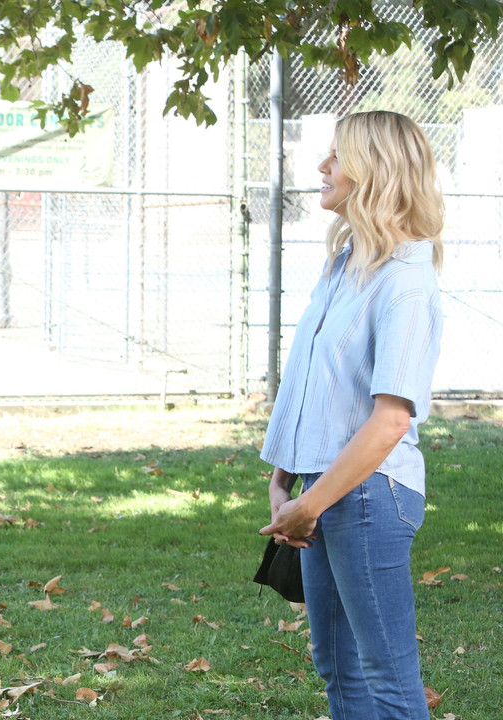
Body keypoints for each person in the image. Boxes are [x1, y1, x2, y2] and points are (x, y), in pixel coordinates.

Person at [260, 110, 444, 720]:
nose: (322, 166)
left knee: (387, 679)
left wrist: (309, 504)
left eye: (337, 155)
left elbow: (391, 421)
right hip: (323, 491)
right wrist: (283, 481)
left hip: (368, 496)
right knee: (338, 670)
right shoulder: (344, 265)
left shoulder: (406, 281)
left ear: (375, 170)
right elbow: (310, 384)